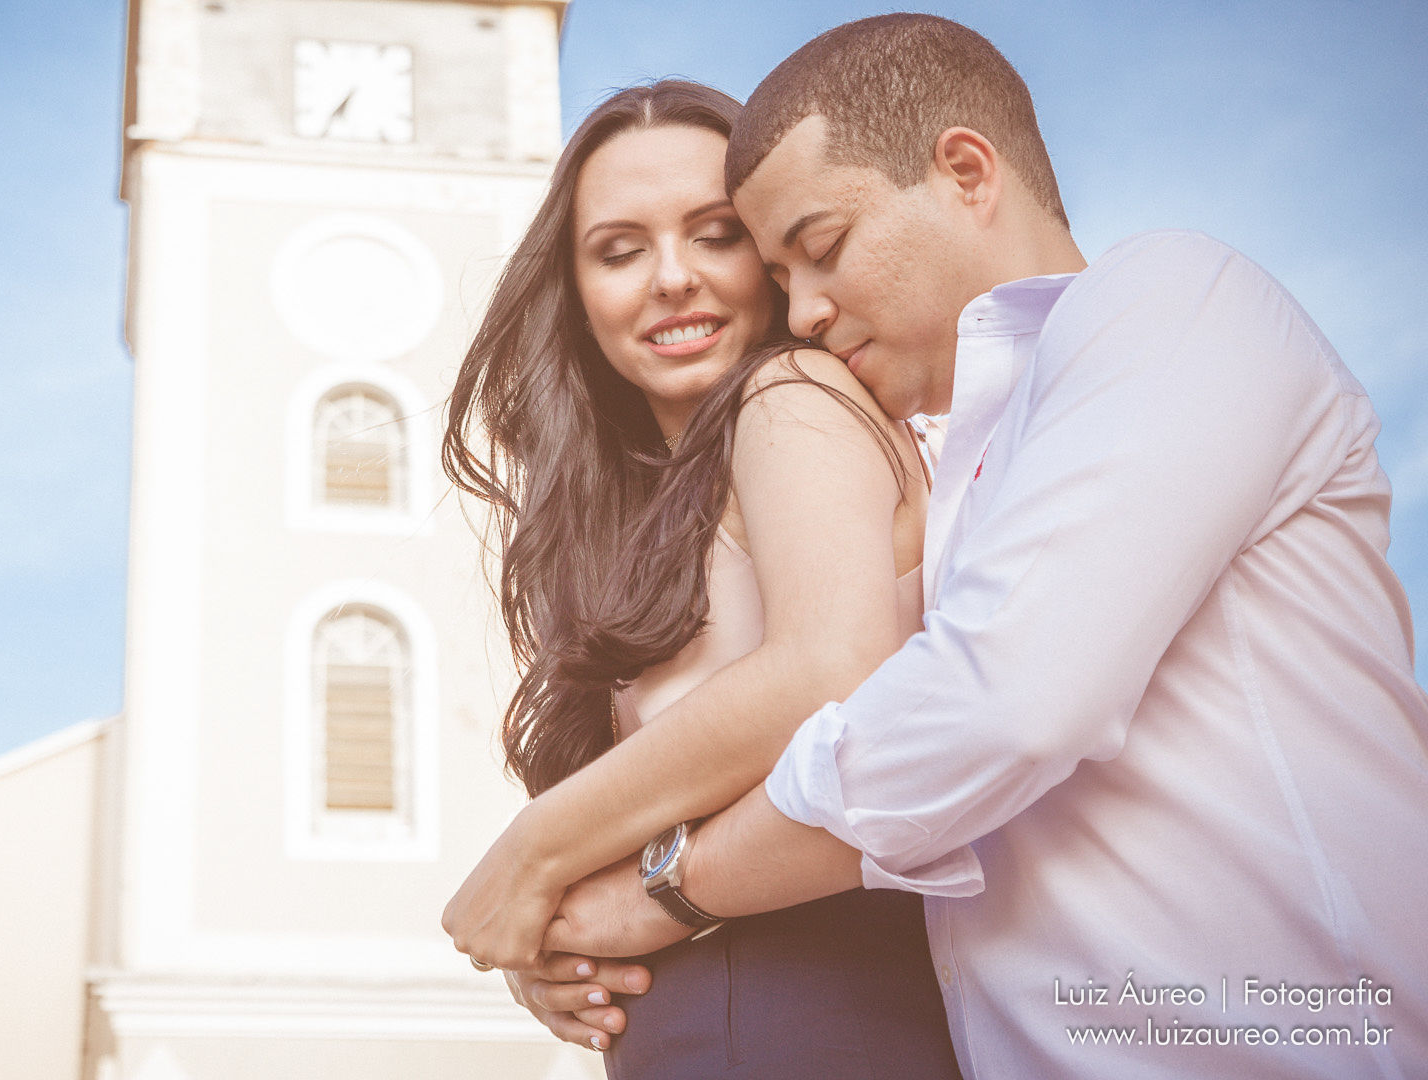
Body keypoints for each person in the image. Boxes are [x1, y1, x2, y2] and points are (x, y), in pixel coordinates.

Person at [444, 14, 1428, 1079]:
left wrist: (614, 878)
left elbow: (994, 705)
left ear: (965, 172)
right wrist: (567, 915)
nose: (805, 311)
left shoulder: (1172, 299)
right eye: (620, 250)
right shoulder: (959, 470)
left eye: (813, 253)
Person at [441, 79, 962, 1075]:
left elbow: (828, 665)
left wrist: (533, 852)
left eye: (715, 234)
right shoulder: (651, 502)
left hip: (803, 1005)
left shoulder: (790, 392)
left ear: (774, 258)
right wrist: (553, 939)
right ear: (576, 292)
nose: (671, 278)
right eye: (620, 249)